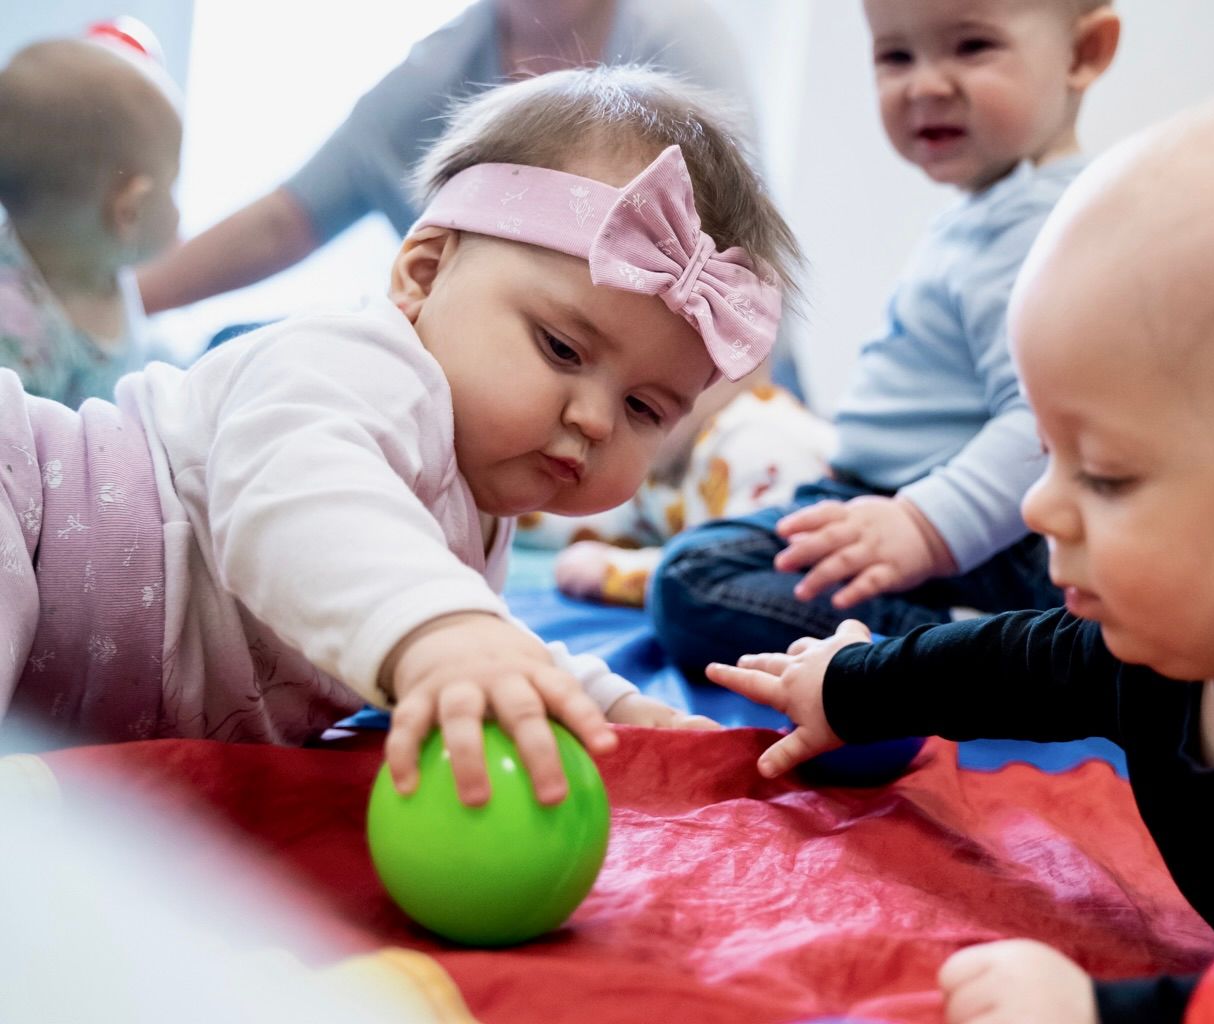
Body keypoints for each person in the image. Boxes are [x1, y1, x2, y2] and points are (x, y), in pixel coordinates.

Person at [707, 88, 1214, 1024]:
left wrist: (1102, 1013)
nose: (1035, 504)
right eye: (1046, 452)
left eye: (1103, 475)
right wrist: (848, 685)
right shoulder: (1175, 646)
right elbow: (1019, 664)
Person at [0, 65, 800, 808]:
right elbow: (306, 502)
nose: (593, 418)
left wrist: (613, 709)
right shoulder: (357, 364)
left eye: (643, 410)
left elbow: (465, 622)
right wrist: (441, 631)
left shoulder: (467, 507)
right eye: (560, 349)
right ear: (422, 273)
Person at [649, 0, 1122, 672]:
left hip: (973, 538)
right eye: (895, 56)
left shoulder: (1037, 225)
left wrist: (923, 527)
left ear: (1083, 53)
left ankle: (975, 649)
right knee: (709, 556)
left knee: (694, 582)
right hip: (896, 505)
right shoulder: (996, 208)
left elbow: (1046, 425)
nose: (924, 84)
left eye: (972, 47)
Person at [134, 0, 755, 315]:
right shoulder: (438, 75)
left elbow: (745, 275)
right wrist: (106, 305)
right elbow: (283, 221)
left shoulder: (679, 48)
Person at [531, 378, 836, 607]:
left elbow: (757, 570)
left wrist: (615, 573)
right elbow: (608, 517)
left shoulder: (759, 438)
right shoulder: (671, 451)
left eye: (639, 404)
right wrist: (517, 504)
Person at [0, 34, 181, 406]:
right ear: (129, 211)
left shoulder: (98, 255)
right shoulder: (18, 347)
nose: (180, 210)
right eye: (173, 186)